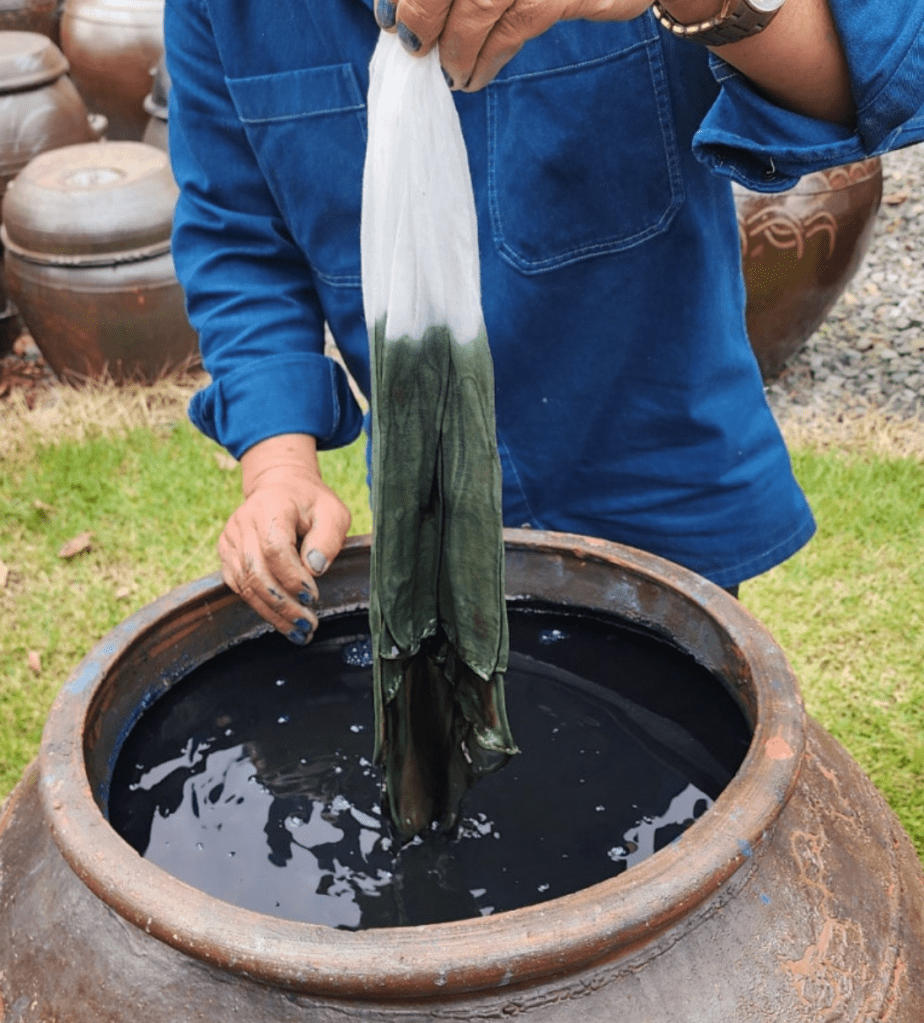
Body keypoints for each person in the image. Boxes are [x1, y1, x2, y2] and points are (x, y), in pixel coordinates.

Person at [164, 0, 924, 642]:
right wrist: (279, 469)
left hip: (656, 475)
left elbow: (883, 72)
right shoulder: (225, 13)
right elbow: (236, 234)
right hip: (427, 499)